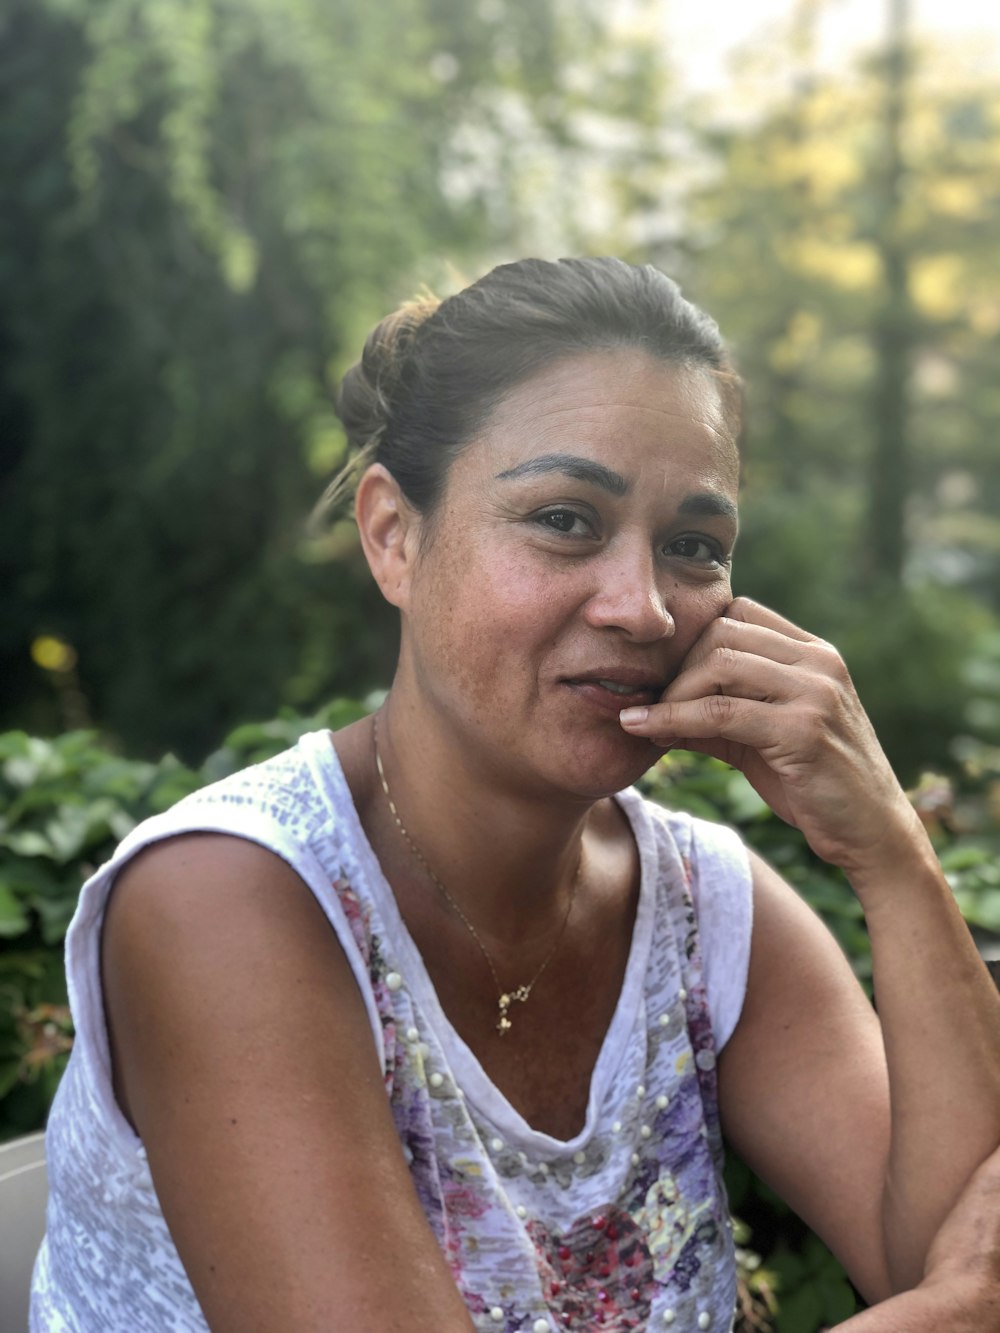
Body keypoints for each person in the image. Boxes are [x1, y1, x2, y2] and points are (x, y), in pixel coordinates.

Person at [30, 257, 1000, 1332]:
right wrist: (950, 1312)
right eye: (565, 519)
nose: (640, 606)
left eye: (692, 546)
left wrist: (893, 855)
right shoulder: (225, 901)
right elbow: (963, 1297)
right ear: (395, 536)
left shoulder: (701, 903)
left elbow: (953, 1241)